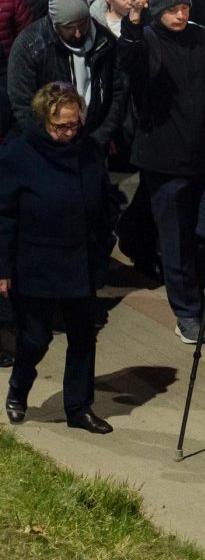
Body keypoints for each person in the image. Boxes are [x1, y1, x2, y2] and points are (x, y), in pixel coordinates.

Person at [1, 83, 121, 434]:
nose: (69, 133)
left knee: (83, 336)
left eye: (74, 125)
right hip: (36, 262)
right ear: (42, 121)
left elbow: (104, 199)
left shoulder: (88, 152)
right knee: (36, 337)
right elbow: (4, 215)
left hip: (81, 261)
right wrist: (3, 269)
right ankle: (19, 387)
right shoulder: (18, 155)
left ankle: (78, 408)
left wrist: (104, 241)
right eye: (61, 127)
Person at [121, 0, 205, 344]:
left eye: (184, 7)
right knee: (176, 238)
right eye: (172, 8)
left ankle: (197, 291)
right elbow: (132, 66)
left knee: (204, 233)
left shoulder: (202, 37)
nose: (181, 14)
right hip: (164, 160)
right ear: (157, 9)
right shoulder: (147, 40)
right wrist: (133, 23)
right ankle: (186, 311)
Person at [7, 0, 127, 150]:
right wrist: (48, 140)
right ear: (56, 24)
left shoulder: (104, 41)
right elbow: (22, 103)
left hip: (94, 144)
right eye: (69, 27)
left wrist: (100, 137)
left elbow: (116, 93)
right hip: (49, 147)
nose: (78, 33)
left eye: (82, 24)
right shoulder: (30, 46)